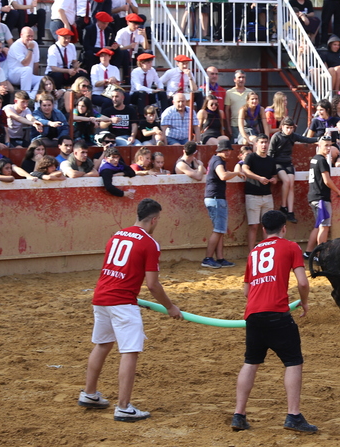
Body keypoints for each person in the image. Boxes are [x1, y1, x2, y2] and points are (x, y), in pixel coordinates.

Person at [80, 198, 182, 422]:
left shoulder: (117, 235)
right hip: (123, 302)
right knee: (130, 351)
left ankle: (89, 393)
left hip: (101, 297)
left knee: (102, 344)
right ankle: (124, 407)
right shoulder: (149, 243)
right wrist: (170, 307)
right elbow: (153, 285)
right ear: (154, 219)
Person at [232, 209, 314, 433]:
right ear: (284, 228)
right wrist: (304, 302)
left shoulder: (254, 252)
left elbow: (246, 290)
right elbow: (303, 282)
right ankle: (293, 415)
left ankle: (239, 414)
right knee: (293, 362)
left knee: (251, 362)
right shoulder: (291, 247)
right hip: (278, 313)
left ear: (263, 229)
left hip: (253, 314)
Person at [240, 133, 279, 251]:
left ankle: (266, 252)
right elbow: (245, 169)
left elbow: (275, 176)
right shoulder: (251, 157)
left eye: (266, 142)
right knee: (253, 226)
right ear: (256, 144)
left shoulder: (271, 160)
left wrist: (274, 180)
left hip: (267, 196)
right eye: (261, 142)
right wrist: (259, 178)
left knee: (268, 226)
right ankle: (252, 253)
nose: (264, 145)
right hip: (253, 195)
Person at [304, 135, 340, 258]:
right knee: (324, 227)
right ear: (319, 145)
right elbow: (327, 180)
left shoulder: (314, 159)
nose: (328, 148)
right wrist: (338, 191)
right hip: (321, 198)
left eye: (330, 145)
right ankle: (320, 255)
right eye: (326, 145)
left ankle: (308, 252)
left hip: (314, 196)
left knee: (318, 226)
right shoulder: (321, 160)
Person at [203, 137, 236, 269]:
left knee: (220, 229)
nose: (227, 152)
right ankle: (208, 258)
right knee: (218, 230)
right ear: (219, 151)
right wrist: (236, 172)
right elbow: (223, 176)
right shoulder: (218, 161)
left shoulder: (216, 160)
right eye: (225, 150)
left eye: (228, 150)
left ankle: (220, 258)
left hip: (215, 198)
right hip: (216, 198)